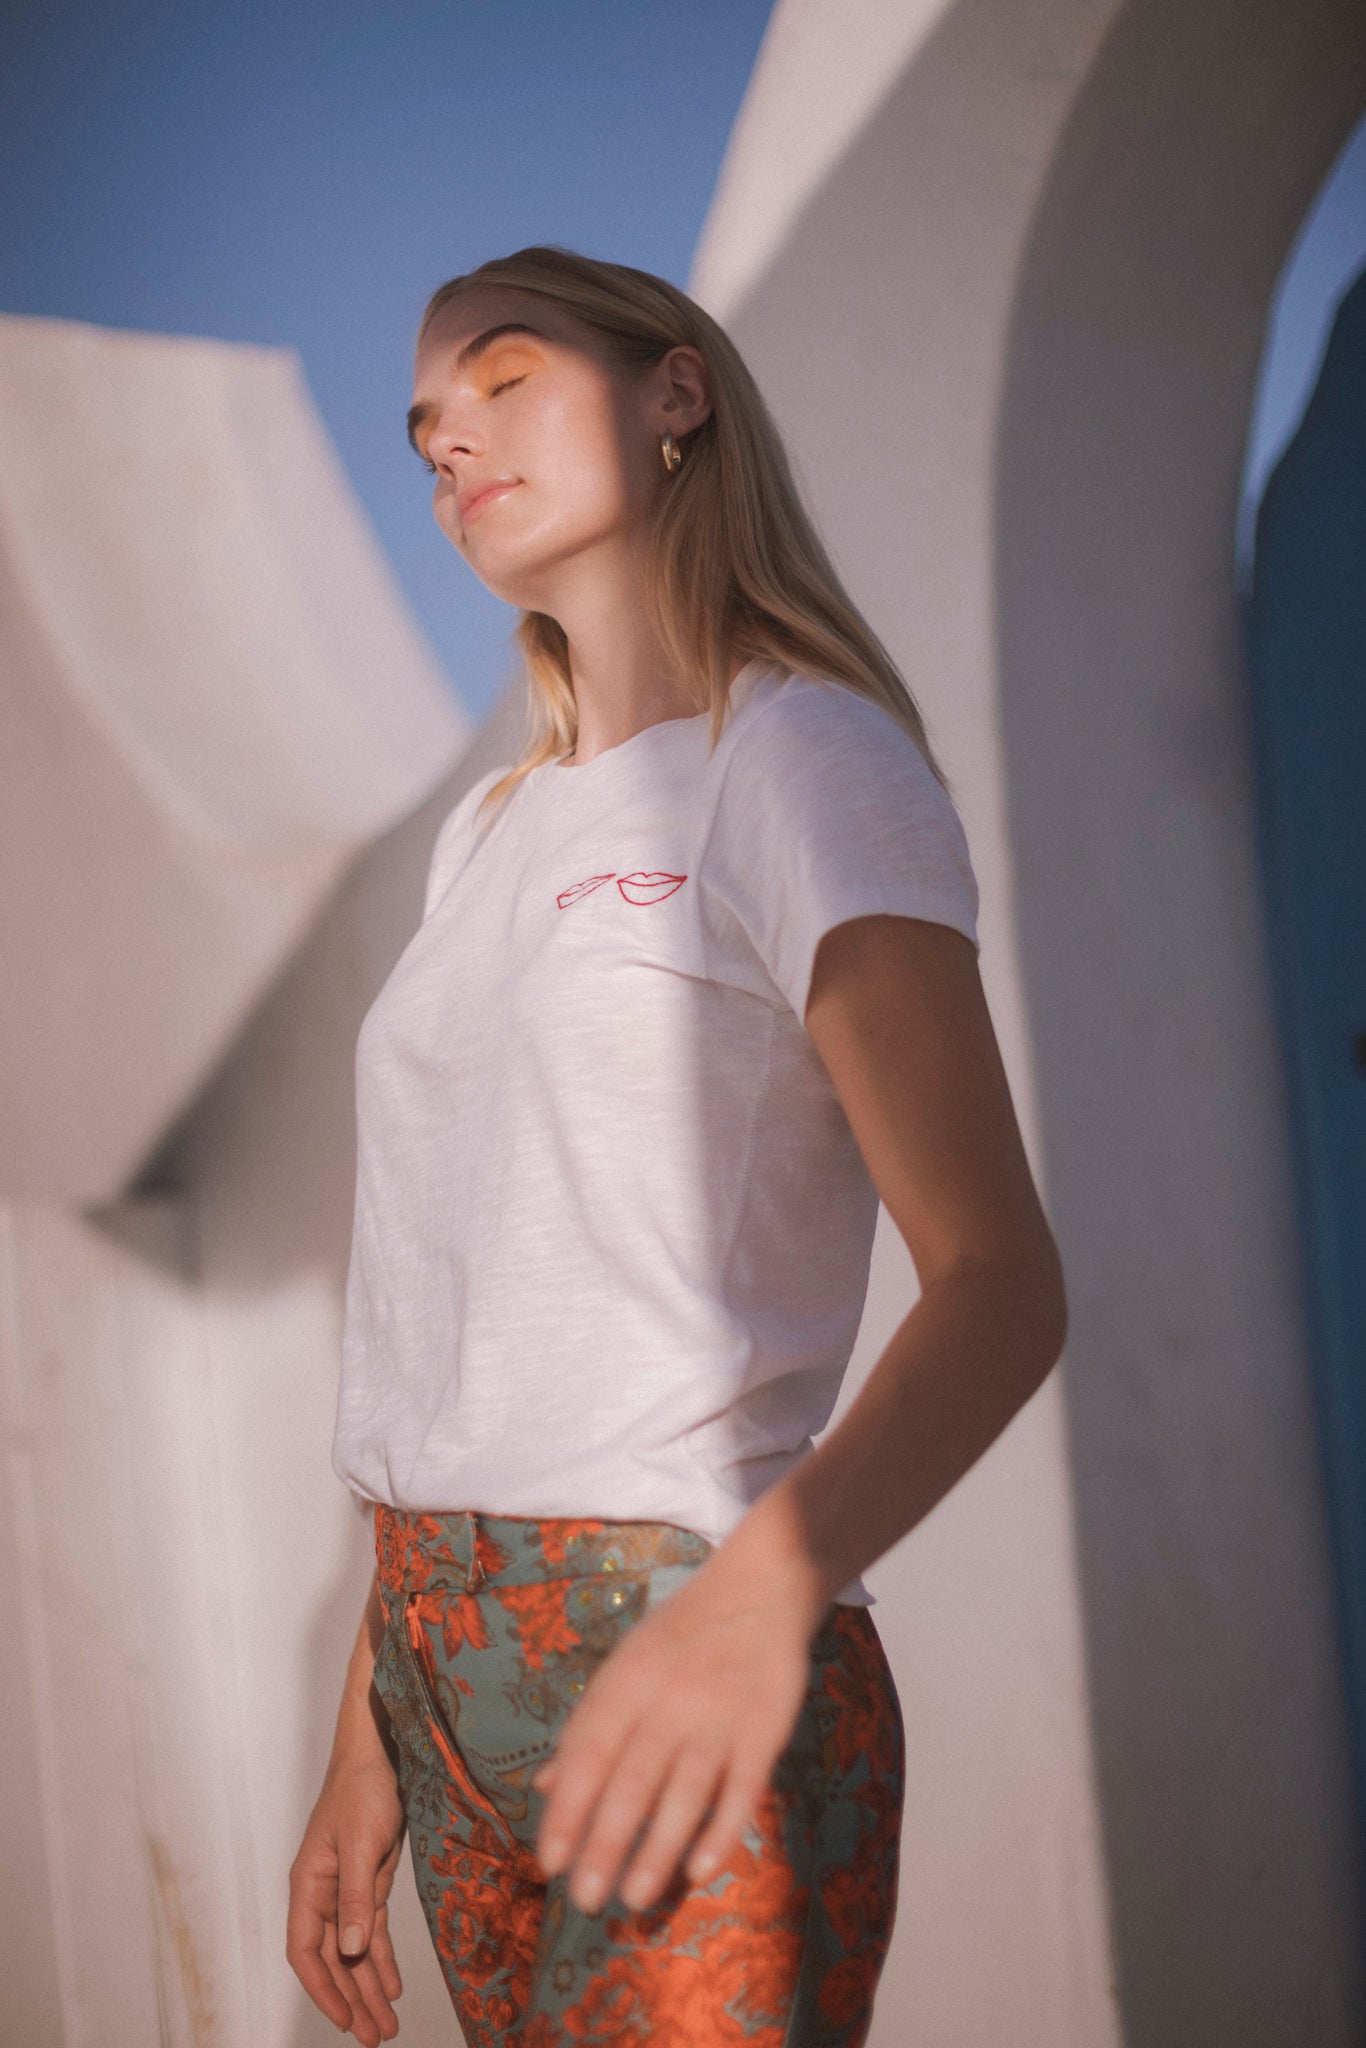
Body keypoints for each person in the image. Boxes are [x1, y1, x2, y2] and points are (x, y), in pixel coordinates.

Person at [286, 244, 1067, 2047]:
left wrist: (752, 1606)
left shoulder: (801, 759)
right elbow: (461, 1331)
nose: (448, 442)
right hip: (434, 1671)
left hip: (679, 1633)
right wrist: (368, 1731)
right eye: (424, 428)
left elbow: (999, 1283)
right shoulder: (490, 834)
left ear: (675, 397)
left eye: (502, 380)